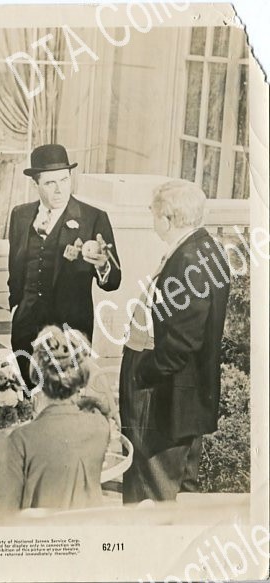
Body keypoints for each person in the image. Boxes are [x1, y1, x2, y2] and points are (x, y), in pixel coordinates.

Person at [120, 180, 230, 503]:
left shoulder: (188, 260)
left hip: (164, 397)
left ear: (168, 219)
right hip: (186, 397)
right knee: (182, 492)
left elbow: (182, 341)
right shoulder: (206, 248)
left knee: (150, 491)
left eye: (154, 214)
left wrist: (142, 373)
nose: (153, 220)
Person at [8, 144, 121, 383]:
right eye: (50, 183)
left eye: (64, 180)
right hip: (26, 329)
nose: (60, 189)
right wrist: (16, 307)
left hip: (71, 331)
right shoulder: (21, 215)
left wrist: (102, 266)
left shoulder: (93, 218)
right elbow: (15, 268)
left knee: (66, 395)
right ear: (35, 184)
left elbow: (113, 281)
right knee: (30, 391)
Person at [0, 325, 110, 521]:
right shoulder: (100, 427)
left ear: (38, 374)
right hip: (87, 529)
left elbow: (3, 512)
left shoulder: (21, 439)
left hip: (39, 532)